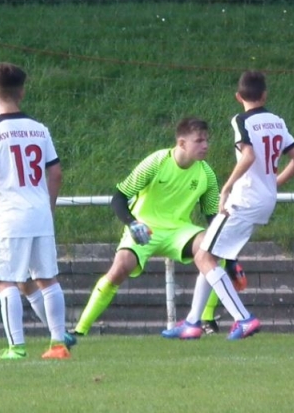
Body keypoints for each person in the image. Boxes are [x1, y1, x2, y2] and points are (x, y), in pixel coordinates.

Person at [162, 71, 294, 341]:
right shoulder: (277, 121)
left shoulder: (241, 120)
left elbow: (248, 155)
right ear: (265, 95)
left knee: (203, 257)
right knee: (209, 256)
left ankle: (244, 318)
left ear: (238, 97)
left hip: (244, 199)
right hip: (264, 200)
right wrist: (273, 183)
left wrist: (227, 187)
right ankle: (193, 322)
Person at [71, 118, 220, 338]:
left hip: (178, 231)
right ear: (181, 143)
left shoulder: (206, 173)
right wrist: (132, 223)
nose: (205, 145)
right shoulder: (157, 162)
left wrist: (231, 260)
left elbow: (213, 216)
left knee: (214, 245)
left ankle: (205, 319)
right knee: (120, 268)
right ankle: (79, 331)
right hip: (144, 227)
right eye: (199, 141)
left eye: (207, 140)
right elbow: (119, 197)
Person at [0, 94, 73, 356]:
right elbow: (55, 173)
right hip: (39, 214)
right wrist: (49, 208)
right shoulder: (38, 128)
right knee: (40, 279)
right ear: (21, 93)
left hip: (7, 219)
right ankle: (58, 338)